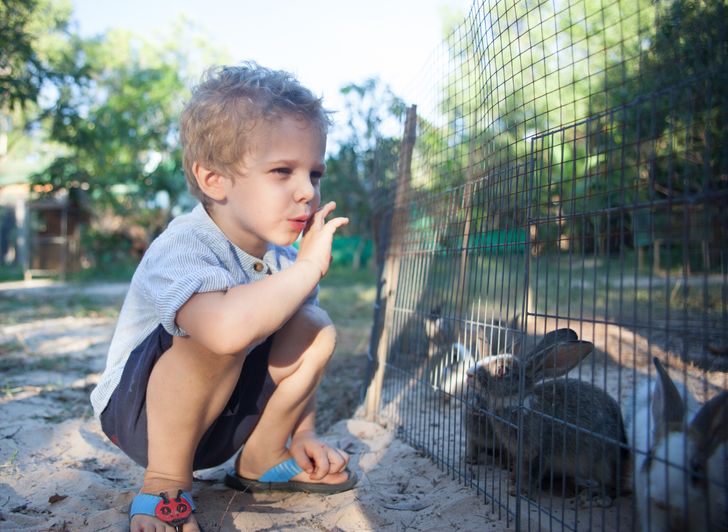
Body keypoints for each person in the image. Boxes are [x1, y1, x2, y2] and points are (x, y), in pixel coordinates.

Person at [90, 62, 356, 532]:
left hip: (221, 421)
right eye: (282, 171)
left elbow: (296, 339)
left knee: (314, 326)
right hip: (142, 418)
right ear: (214, 179)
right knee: (216, 332)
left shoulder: (286, 260)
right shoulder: (185, 244)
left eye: (314, 173)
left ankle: (261, 459)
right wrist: (310, 266)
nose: (306, 192)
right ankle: (165, 482)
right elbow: (225, 330)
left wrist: (306, 431)